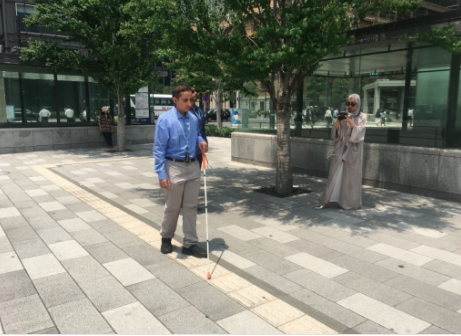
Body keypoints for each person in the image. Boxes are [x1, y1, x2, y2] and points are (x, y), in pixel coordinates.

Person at [154, 84, 208, 258]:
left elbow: (197, 134)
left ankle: (190, 243)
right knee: (173, 207)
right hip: (174, 166)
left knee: (191, 206)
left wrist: (201, 141)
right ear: (175, 100)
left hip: (192, 165)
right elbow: (159, 149)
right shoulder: (165, 120)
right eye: (185, 100)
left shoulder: (193, 118)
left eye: (190, 100)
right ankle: (166, 238)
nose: (188, 104)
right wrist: (162, 174)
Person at [316, 93, 367, 210]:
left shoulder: (362, 116)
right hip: (340, 149)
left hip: (353, 150)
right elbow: (336, 135)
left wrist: (349, 121)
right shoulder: (343, 115)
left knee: (350, 178)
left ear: (358, 104)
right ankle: (327, 199)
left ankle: (349, 202)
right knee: (334, 174)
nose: (350, 106)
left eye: (353, 104)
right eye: (348, 103)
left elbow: (360, 133)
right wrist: (337, 122)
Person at [189, 87, 208, 167]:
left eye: (196, 91)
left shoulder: (199, 110)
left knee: (196, 175)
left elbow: (202, 128)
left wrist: (205, 141)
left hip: (199, 149)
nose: (195, 93)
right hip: (188, 150)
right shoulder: (184, 111)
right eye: (192, 91)